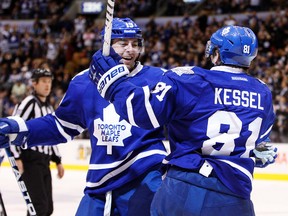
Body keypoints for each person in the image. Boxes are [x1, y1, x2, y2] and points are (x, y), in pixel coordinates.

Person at [87, 25, 278, 215]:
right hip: (234, 194)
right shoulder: (263, 92)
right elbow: (260, 145)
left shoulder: (190, 79)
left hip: (185, 186)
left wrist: (114, 84)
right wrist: (256, 152)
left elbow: (143, 113)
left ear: (217, 54)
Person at [0, 18, 169, 216]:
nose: (131, 50)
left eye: (135, 43)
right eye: (123, 43)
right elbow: (60, 126)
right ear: (106, 45)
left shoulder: (160, 78)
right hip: (99, 183)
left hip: (145, 177)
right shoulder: (83, 82)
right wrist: (20, 131)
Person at [9, 68, 65, 216]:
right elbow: (13, 128)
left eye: (49, 82)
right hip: (30, 160)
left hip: (44, 162)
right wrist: (17, 157)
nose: (47, 85)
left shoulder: (48, 107)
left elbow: (51, 134)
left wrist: (57, 160)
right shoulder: (29, 103)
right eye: (44, 82)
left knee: (47, 209)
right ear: (34, 84)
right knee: (38, 207)